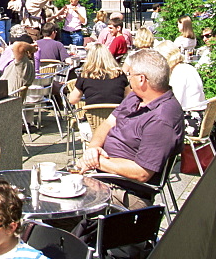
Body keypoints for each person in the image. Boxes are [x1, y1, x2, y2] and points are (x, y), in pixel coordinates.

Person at [77, 49, 184, 205]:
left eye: (130, 75)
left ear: (141, 79)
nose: (128, 79)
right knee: (51, 192)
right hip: (102, 177)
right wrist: (93, 148)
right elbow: (108, 122)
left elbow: (141, 173)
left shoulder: (162, 118)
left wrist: (95, 161)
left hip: (126, 192)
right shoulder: (136, 96)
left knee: (60, 210)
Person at [160, 44, 206, 136]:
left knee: (152, 129)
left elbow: (175, 104)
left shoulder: (178, 73)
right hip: (199, 118)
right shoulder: (187, 68)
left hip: (191, 121)